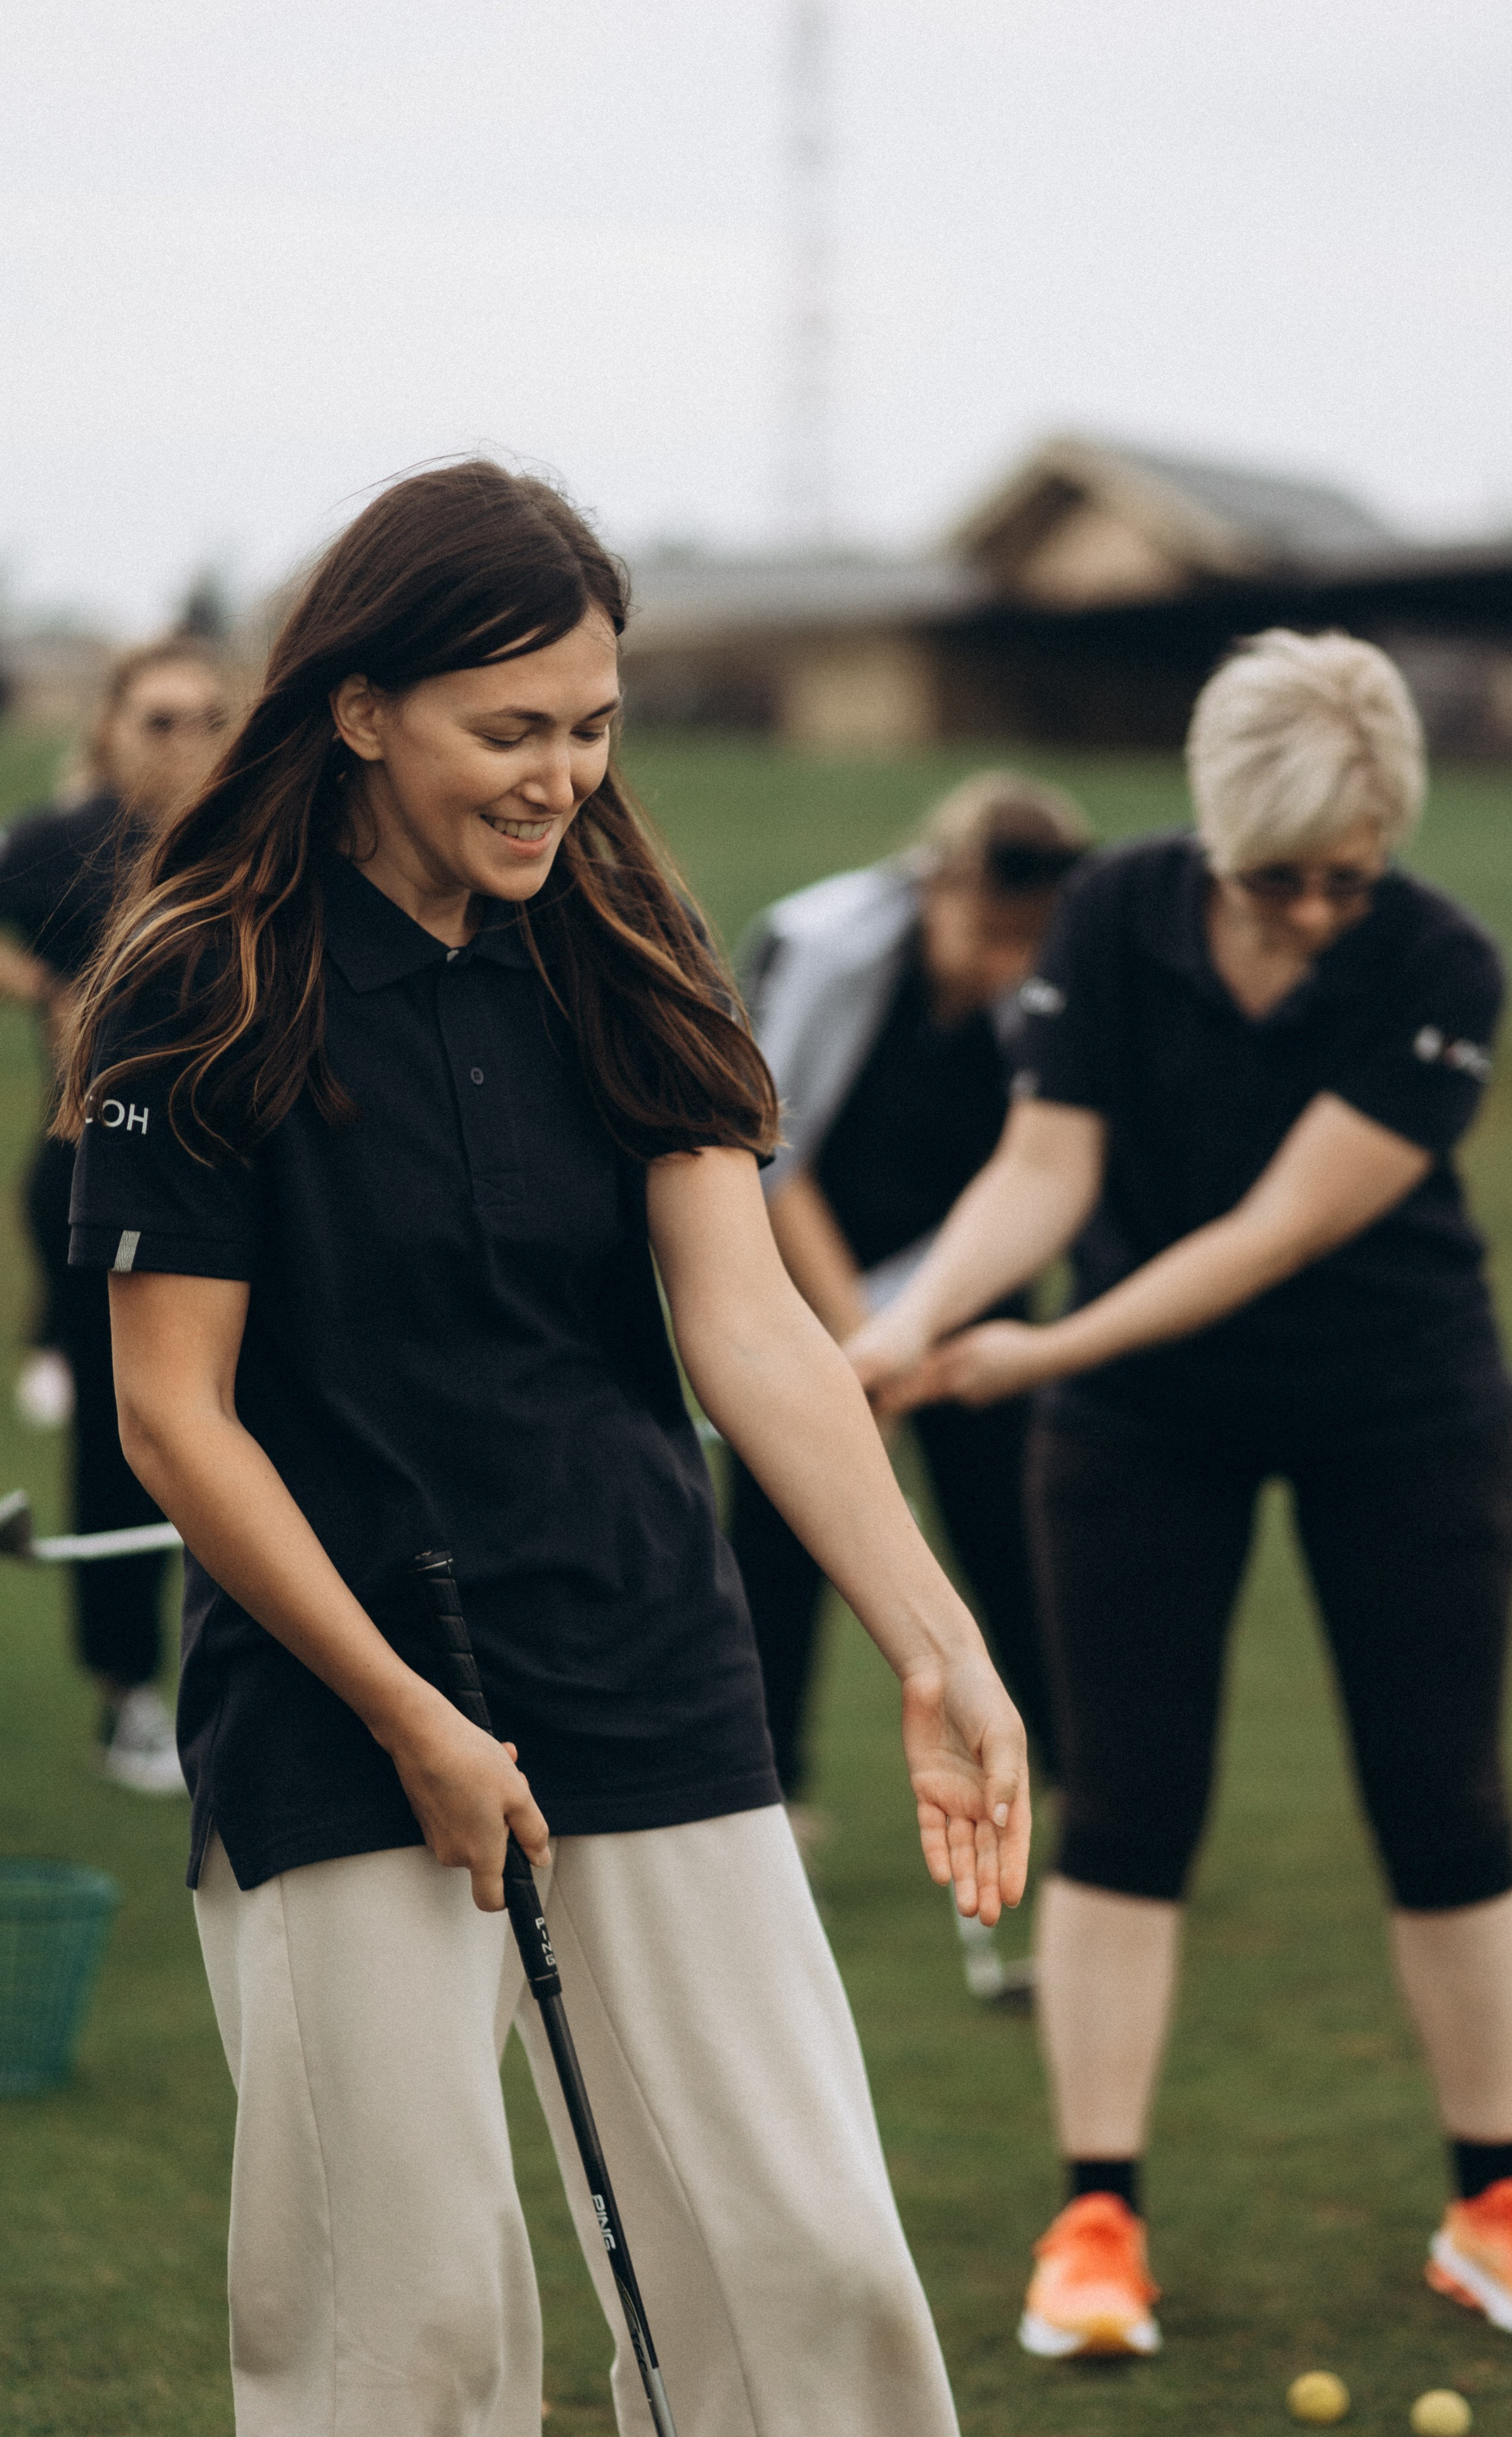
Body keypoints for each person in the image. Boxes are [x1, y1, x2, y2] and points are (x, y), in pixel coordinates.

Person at [60, 460, 1029, 2437]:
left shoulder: (630, 945)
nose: (559, 776)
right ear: (360, 707)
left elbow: (748, 1325)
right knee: (403, 2339)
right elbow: (173, 1418)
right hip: (344, 1710)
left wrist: (936, 1635)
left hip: (646, 1656)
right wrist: (408, 1711)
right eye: (508, 731)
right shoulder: (198, 981)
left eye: (591, 728)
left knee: (813, 2272)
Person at [849, 631, 1512, 2360]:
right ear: (1215, 837)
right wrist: (907, 1324)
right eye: (1285, 881)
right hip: (1148, 1431)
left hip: (1403, 1404)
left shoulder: (1442, 964)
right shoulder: (1117, 916)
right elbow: (1046, 1168)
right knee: (1128, 1806)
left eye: (1354, 879)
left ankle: (1494, 2208)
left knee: (1447, 1804)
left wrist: (1028, 1359)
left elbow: (1271, 1232)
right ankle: (1096, 2221)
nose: (1322, 914)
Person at [730, 774, 1086, 1996]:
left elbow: (1045, 1168)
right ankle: (774, 1788)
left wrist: (927, 1324)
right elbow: (769, 1150)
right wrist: (856, 1335)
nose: (1007, 966)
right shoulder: (830, 948)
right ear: (940, 888)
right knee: (783, 1533)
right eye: (991, 934)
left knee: (1011, 1521)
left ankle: (1057, 1760)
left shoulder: (1055, 975)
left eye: (1027, 943)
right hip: (811, 1290)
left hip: (967, 1300)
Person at [0, 637, 231, 1790]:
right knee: (125, 1440)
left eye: (209, 717)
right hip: (99, 1173)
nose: (186, 742)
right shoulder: (60, 846)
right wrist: (42, 986)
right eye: (160, 719)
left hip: (246, 1183)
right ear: (110, 726)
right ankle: (129, 1689)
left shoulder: (254, 840)